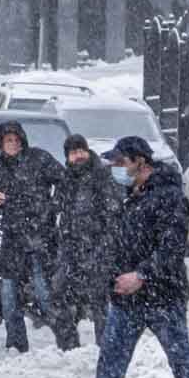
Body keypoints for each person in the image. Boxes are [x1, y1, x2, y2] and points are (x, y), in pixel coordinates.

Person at [53, 136, 189, 378]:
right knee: (111, 358)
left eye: (121, 162)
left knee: (181, 360)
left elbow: (171, 248)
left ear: (140, 161)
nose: (117, 168)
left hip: (162, 296)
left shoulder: (169, 197)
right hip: (126, 296)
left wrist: (141, 275)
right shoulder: (131, 197)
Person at [0, 120, 65, 353]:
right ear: (0, 144)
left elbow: (65, 182)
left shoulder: (40, 159)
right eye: (8, 140)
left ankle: (66, 341)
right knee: (9, 298)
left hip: (41, 238)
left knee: (46, 295)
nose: (13, 144)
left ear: (23, 140)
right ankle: (16, 344)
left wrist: (53, 206)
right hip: (12, 240)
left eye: (16, 140)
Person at [52, 134, 123, 350]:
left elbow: (113, 215)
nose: (79, 156)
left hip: (97, 248)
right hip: (70, 248)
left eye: (81, 150)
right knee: (58, 293)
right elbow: (59, 209)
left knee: (99, 300)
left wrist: (104, 248)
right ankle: (68, 346)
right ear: (67, 157)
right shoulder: (66, 179)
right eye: (73, 153)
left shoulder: (101, 176)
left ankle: (106, 347)